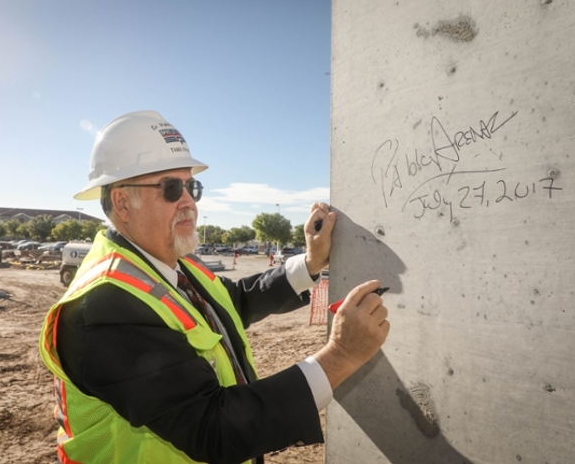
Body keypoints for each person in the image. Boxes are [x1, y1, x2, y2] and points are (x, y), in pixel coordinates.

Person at [39, 110, 390, 464]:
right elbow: (213, 428)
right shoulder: (103, 305)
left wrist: (310, 262)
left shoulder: (172, 262)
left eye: (192, 186)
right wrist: (341, 356)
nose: (189, 201)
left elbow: (231, 304)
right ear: (122, 203)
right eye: (171, 189)